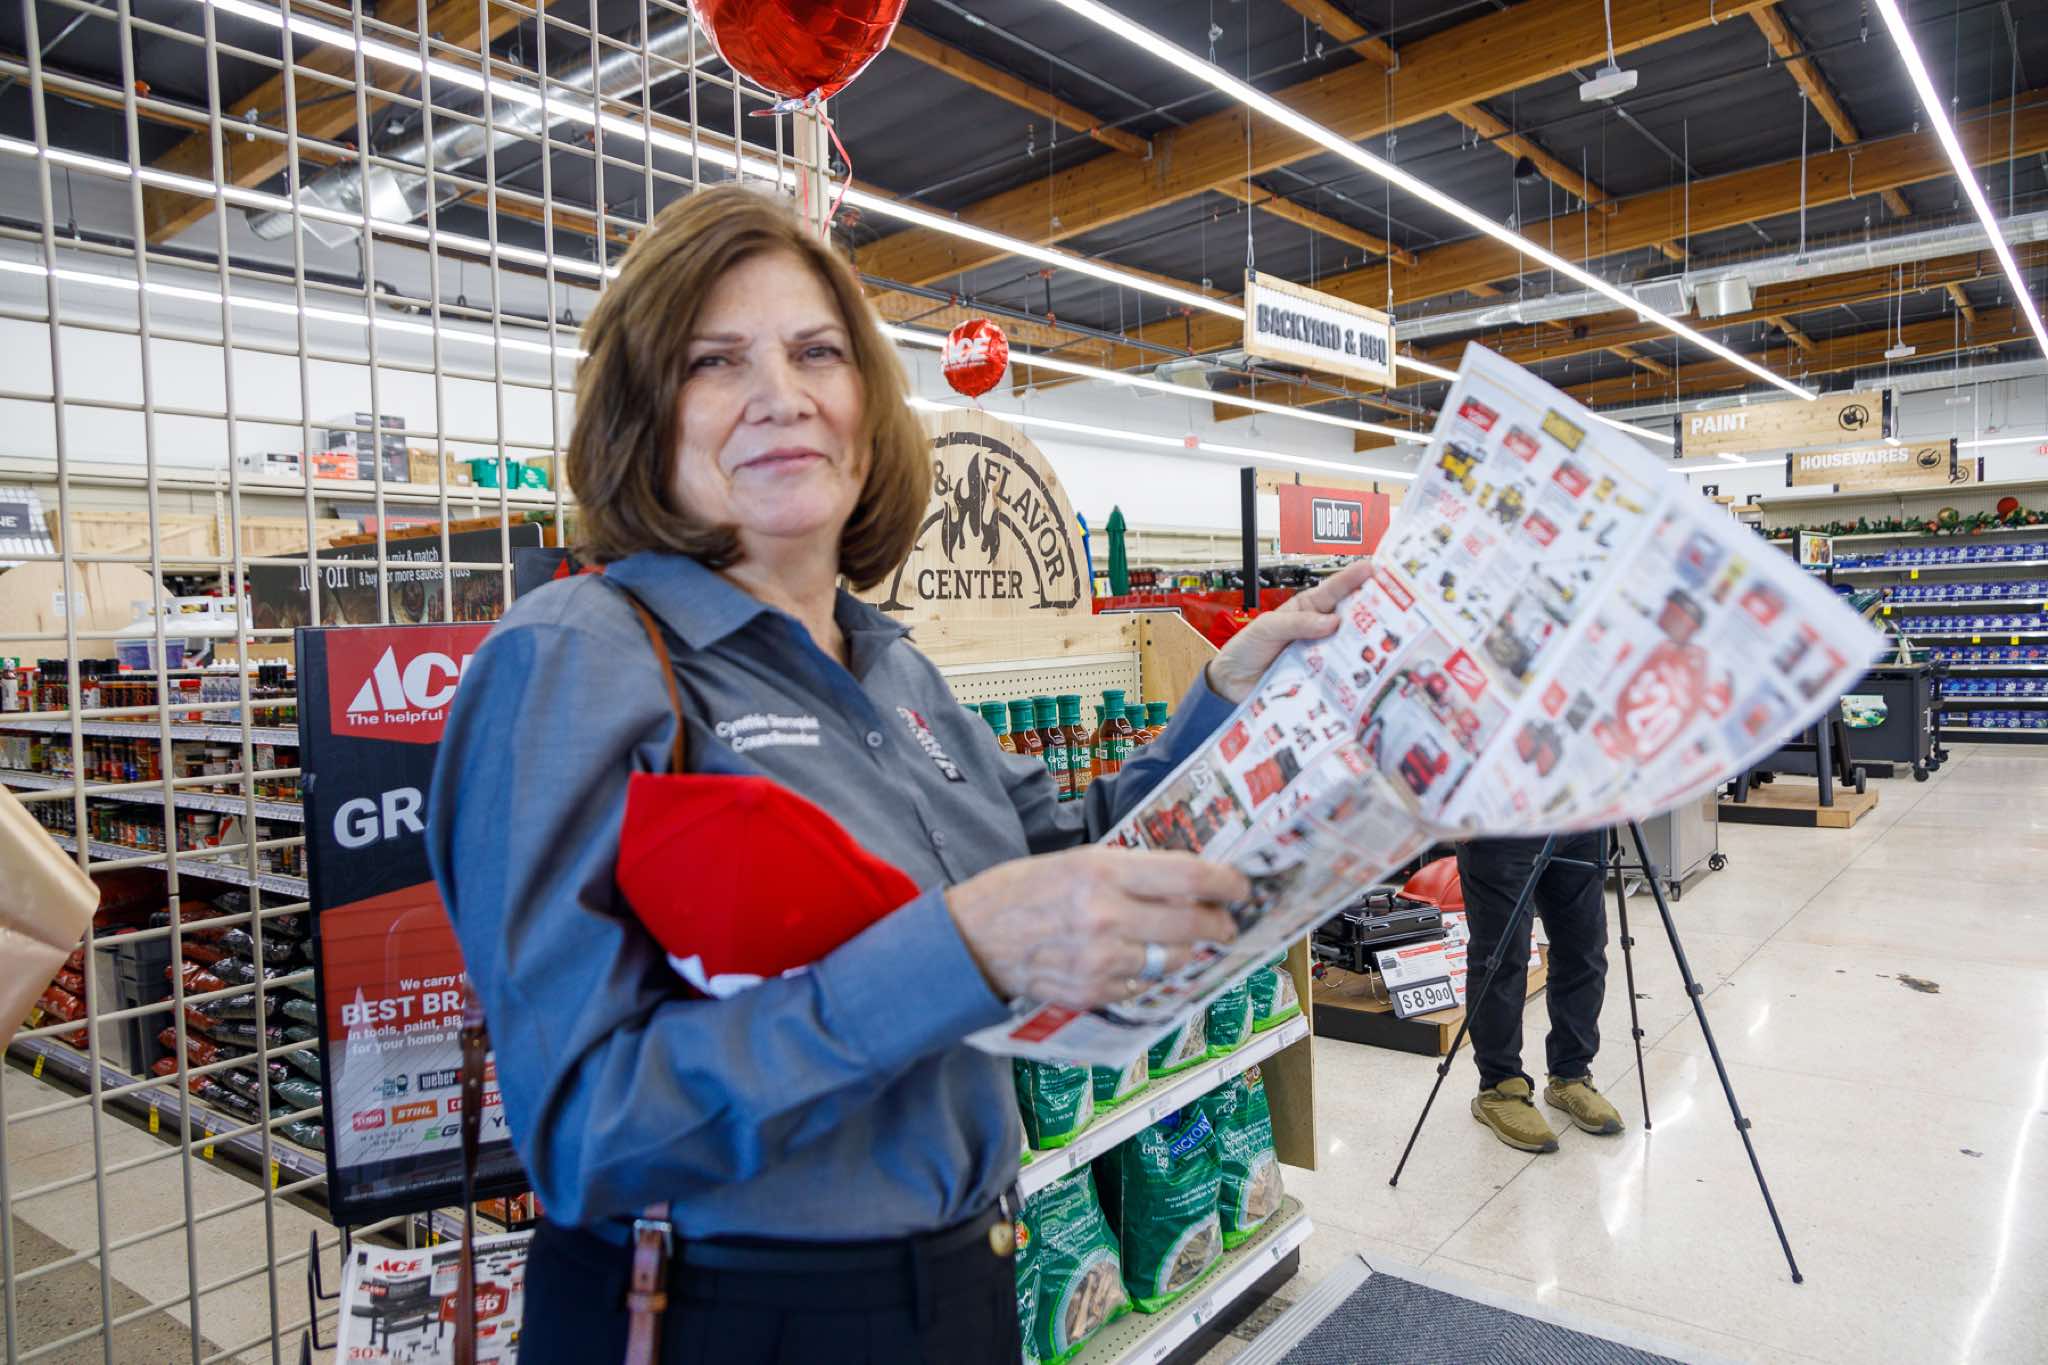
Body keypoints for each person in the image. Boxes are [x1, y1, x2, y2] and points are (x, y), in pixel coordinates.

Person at [425, 184, 1377, 1362]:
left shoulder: (889, 667)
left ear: (868, 410)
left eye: (815, 352)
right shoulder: (575, 658)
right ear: (640, 420)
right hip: (728, 1317)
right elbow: (583, 1131)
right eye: (714, 361)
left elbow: (1066, 863)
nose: (781, 395)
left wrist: (1227, 694)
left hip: (966, 1284)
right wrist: (958, 954)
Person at [1457, 833, 1625, 1152]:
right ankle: (1500, 1086)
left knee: (1584, 948)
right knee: (1502, 956)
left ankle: (1571, 1073)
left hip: (1579, 818)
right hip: (1502, 822)